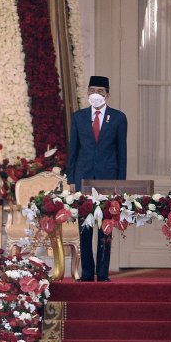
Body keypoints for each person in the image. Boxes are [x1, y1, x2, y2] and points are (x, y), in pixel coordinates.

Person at [67, 75, 128, 282]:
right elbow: (73, 151)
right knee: (85, 227)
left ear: (107, 95)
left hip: (108, 180)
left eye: (100, 91)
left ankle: (102, 273)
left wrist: (120, 183)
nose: (96, 94)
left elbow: (122, 152)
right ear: (87, 93)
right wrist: (70, 180)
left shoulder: (118, 118)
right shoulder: (78, 117)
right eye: (92, 90)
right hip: (83, 178)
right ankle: (86, 272)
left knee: (105, 228)